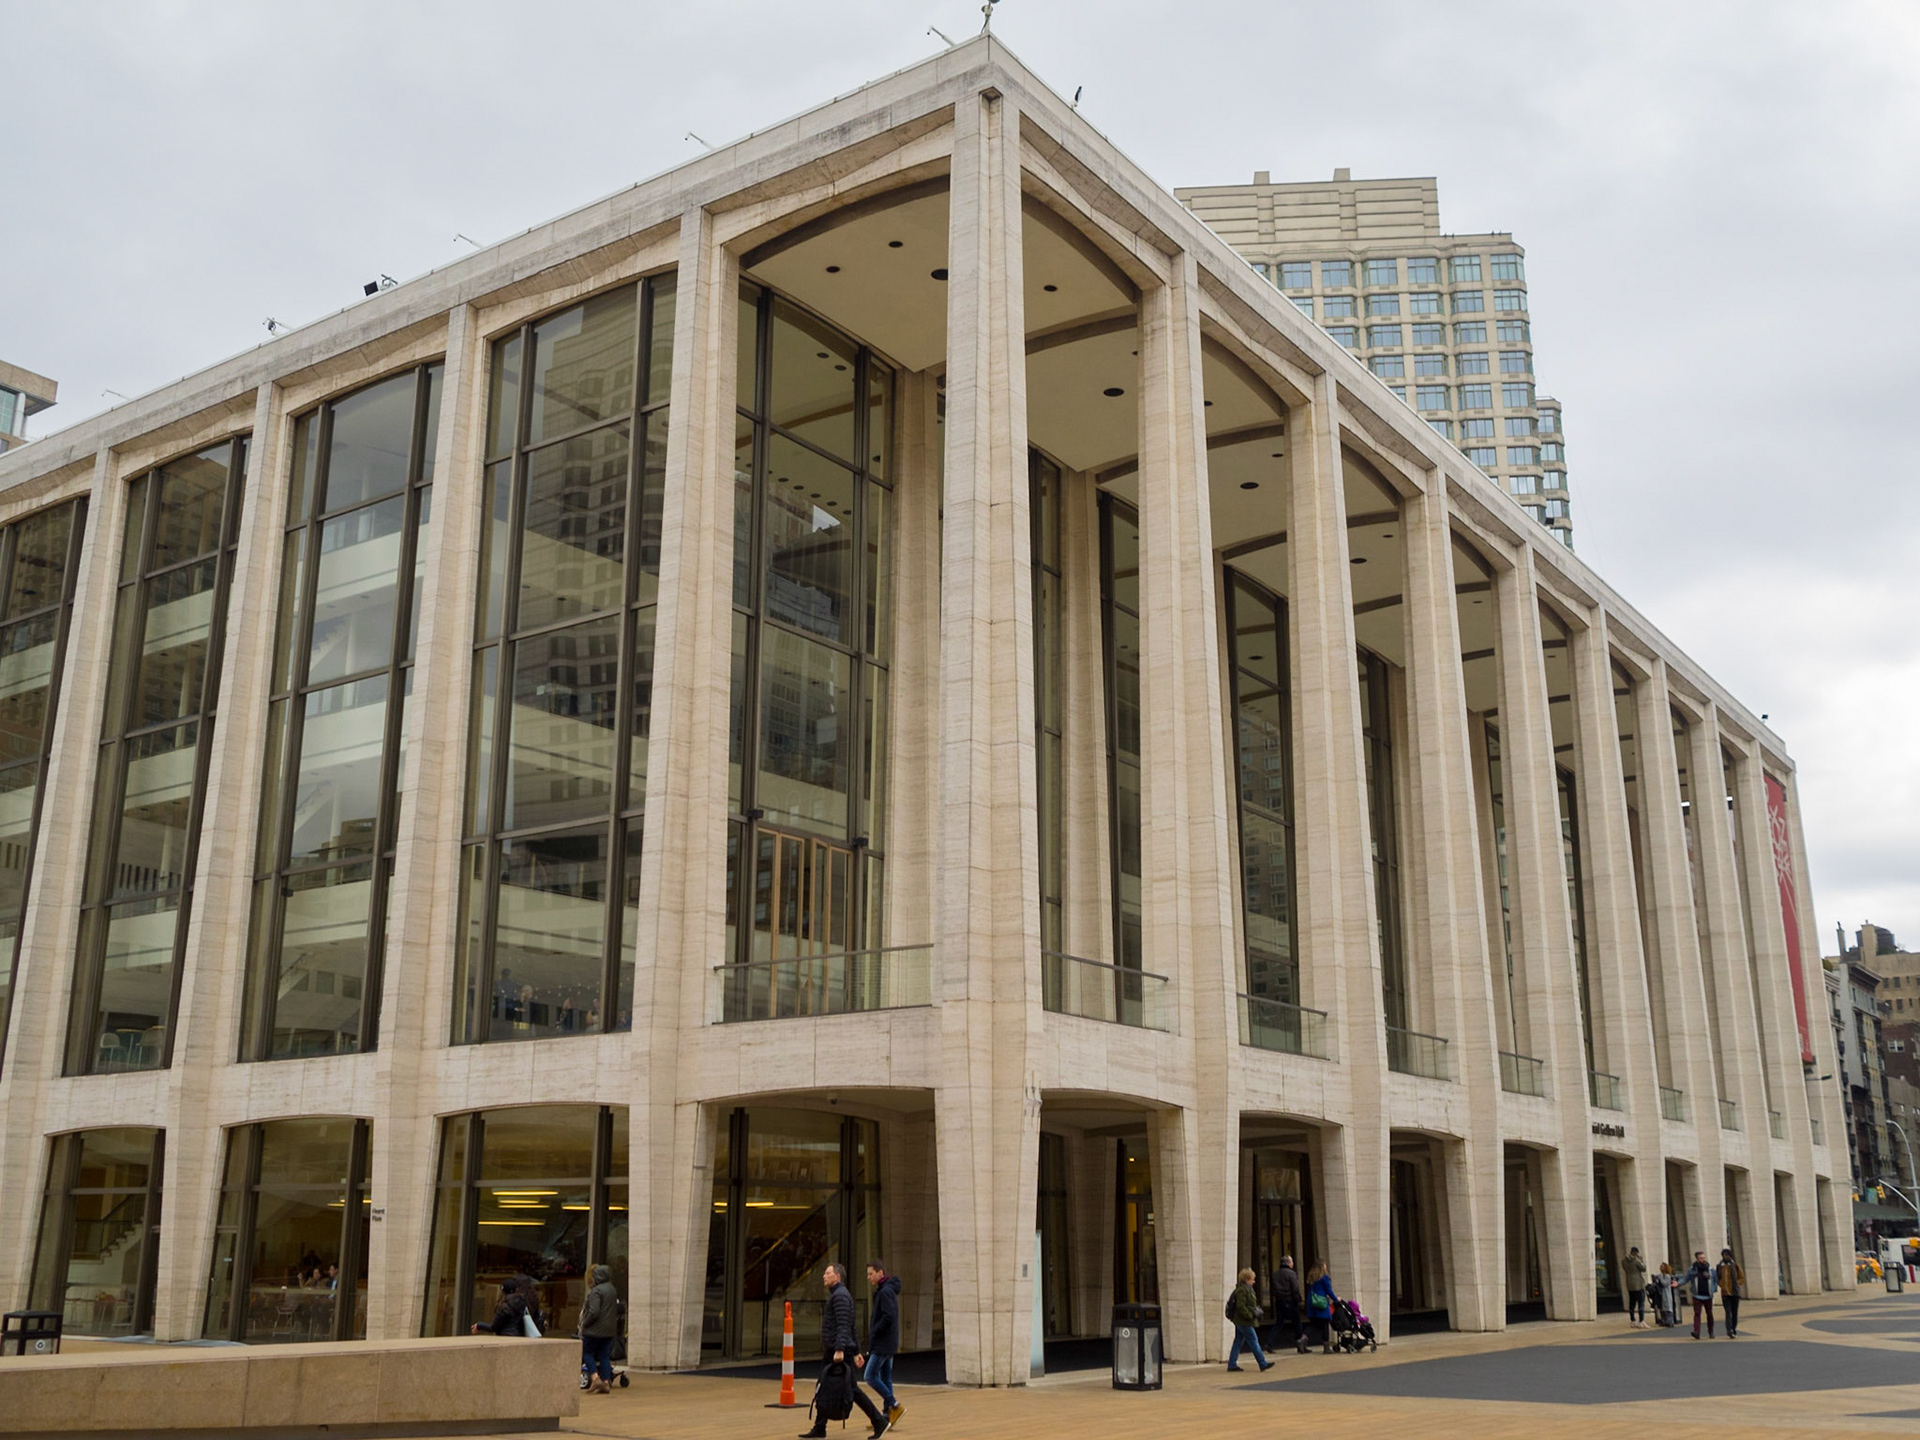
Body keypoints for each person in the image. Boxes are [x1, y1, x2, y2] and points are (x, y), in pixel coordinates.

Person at [800, 1264, 887, 1439]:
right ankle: (820, 1426)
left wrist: (840, 1349)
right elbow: (851, 1326)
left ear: (837, 1277)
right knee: (828, 1386)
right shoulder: (840, 1295)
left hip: (838, 1350)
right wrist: (856, 1351)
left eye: (828, 1273)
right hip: (839, 1349)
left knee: (845, 1388)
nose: (824, 1276)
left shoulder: (840, 1297)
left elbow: (843, 1326)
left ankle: (878, 1421)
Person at [859, 1261, 903, 1427]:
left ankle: (894, 1404)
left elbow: (888, 1316)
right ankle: (887, 1415)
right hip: (888, 1342)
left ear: (880, 1273)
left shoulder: (884, 1292)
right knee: (886, 1378)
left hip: (883, 1343)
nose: (868, 1277)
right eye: (868, 1274)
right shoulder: (886, 1290)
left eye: (871, 1274)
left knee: (869, 1376)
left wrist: (874, 1331)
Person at [578, 1264, 621, 1393]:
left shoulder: (596, 1291)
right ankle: (606, 1382)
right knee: (604, 1356)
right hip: (609, 1330)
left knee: (587, 1352)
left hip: (594, 1330)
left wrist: (584, 1323)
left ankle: (595, 1378)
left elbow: (594, 1312)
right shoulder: (612, 1289)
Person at [1225, 1267, 1272, 1372]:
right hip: (1244, 1321)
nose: (1254, 1281)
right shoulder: (1243, 1290)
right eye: (1252, 1279)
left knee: (1238, 1342)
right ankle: (1262, 1363)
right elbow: (1241, 1306)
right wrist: (1250, 1315)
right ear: (1246, 1279)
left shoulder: (1246, 1289)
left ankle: (1232, 1364)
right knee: (1253, 1341)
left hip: (1241, 1321)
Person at [472, 1275, 537, 1336]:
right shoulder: (522, 1304)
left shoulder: (504, 1307)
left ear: (503, 1291)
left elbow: (494, 1327)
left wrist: (479, 1325)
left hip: (505, 1337)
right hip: (519, 1337)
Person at [1301, 1259, 1337, 1355]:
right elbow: (1329, 1291)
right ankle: (1326, 1347)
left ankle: (1303, 1339)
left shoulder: (1312, 1277)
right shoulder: (1324, 1278)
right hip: (1320, 1301)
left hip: (1312, 1300)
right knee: (1325, 1323)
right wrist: (1336, 1299)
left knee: (1313, 1323)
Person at [1267, 1254, 1301, 1352]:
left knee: (1279, 1323)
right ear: (1289, 1263)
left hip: (1279, 1301)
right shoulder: (1292, 1274)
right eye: (1292, 1261)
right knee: (1297, 1324)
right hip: (1290, 1301)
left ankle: (1269, 1343)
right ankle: (1300, 1344)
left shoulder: (1275, 1275)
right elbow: (1295, 1288)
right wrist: (1297, 1299)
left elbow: (1272, 1289)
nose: (1293, 1263)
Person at [1715, 1248, 1746, 1338]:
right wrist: (1722, 1284)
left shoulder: (1735, 1266)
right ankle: (1729, 1329)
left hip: (1735, 1293)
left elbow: (1742, 1278)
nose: (1725, 1257)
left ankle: (1733, 1329)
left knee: (1734, 1312)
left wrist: (1736, 1284)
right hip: (1725, 1293)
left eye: (1727, 1255)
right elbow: (1718, 1278)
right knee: (1728, 1312)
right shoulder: (1720, 1266)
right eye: (1723, 1255)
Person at [1684, 1251, 1716, 1339]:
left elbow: (1715, 1281)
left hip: (1708, 1295)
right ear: (1697, 1259)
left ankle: (1711, 1331)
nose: (1703, 1260)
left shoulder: (1710, 1269)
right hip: (1697, 1295)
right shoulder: (1693, 1269)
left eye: (1704, 1258)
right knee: (1697, 1314)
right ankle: (1696, 1332)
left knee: (1709, 1313)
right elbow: (1686, 1278)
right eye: (1701, 1258)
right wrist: (1678, 1283)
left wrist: (1713, 1290)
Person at [1620, 1246, 1648, 1328]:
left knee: (1632, 1303)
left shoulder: (1624, 1261)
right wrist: (1641, 1260)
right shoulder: (1636, 1261)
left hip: (1630, 1284)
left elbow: (1625, 1269)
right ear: (1636, 1253)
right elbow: (1644, 1269)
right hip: (1638, 1284)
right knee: (1641, 1303)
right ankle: (1641, 1321)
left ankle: (1632, 1320)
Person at [1653, 1261, 1678, 1326]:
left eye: (1662, 1267)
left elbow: (1664, 1284)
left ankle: (1670, 1321)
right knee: (1662, 1309)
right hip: (1661, 1294)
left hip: (1666, 1294)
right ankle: (1664, 1321)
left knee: (1667, 1308)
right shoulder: (1661, 1275)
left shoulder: (1667, 1276)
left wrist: (1660, 1277)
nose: (1660, 1268)